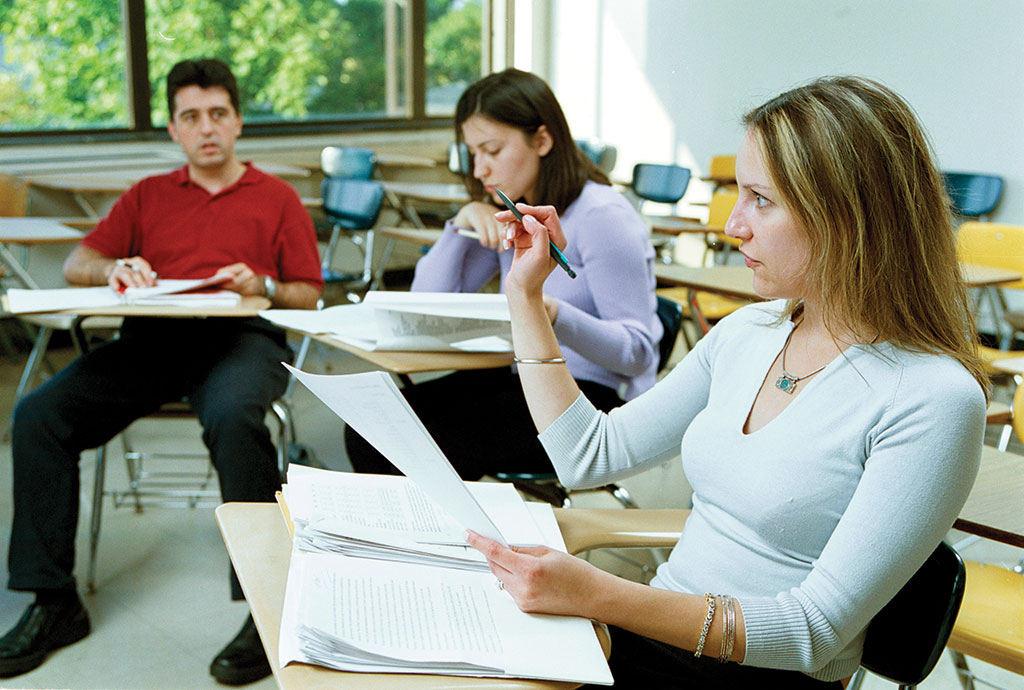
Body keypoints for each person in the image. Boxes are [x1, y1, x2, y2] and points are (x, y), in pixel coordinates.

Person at [467, 75, 989, 688]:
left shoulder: (933, 399)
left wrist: (600, 598)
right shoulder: (750, 332)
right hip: (652, 642)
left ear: (849, 216)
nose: (732, 226)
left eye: (760, 200)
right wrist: (526, 296)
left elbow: (810, 631)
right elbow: (588, 455)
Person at [0, 58, 322, 685]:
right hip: (150, 340)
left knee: (235, 418)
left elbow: (309, 292)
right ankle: (53, 602)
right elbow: (79, 263)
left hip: (241, 339)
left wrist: (266, 283)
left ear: (237, 122)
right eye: (191, 117)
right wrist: (114, 269)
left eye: (219, 114)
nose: (207, 128)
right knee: (38, 416)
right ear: (173, 129)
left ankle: (267, 607)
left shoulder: (277, 197)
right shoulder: (148, 194)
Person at [345, 68, 661, 480]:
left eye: (491, 150)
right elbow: (426, 299)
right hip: (524, 376)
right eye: (472, 153)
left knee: (401, 443)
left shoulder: (602, 215)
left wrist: (553, 316)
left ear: (543, 141)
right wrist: (463, 223)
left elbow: (639, 353)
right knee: (368, 429)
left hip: (586, 401)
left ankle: (452, 538)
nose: (479, 170)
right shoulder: (518, 210)